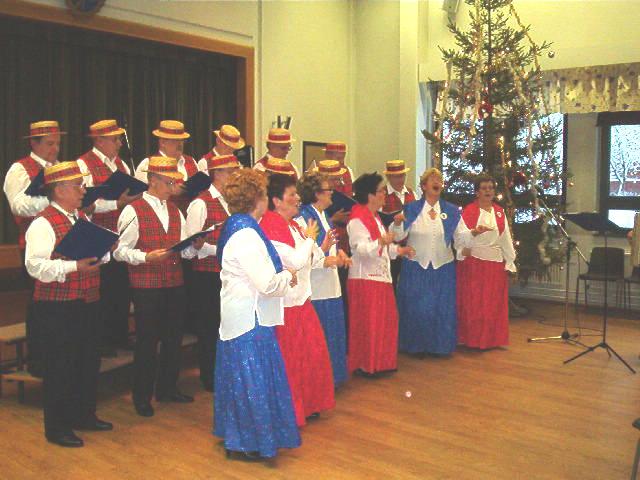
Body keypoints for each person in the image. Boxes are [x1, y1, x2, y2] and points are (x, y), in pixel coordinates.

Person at [214, 168, 300, 460]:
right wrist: (288, 276)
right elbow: (266, 284)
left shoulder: (237, 227)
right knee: (251, 382)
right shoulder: (246, 235)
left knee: (241, 379)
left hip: (242, 314)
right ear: (257, 199)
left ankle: (240, 437)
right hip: (249, 317)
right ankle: (248, 442)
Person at [25, 161, 112, 447]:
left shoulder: (81, 217)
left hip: (87, 301)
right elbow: (35, 267)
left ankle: (83, 415)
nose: (83, 190)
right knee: (60, 366)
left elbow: (92, 256)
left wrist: (104, 251)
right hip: (58, 307)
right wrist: (74, 266)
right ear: (59, 190)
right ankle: (57, 427)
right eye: (78, 186)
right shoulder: (42, 223)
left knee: (87, 361)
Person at [114, 156, 204, 417]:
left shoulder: (175, 210)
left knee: (173, 338)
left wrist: (194, 246)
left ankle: (168, 388)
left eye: (174, 183)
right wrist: (146, 257)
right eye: (168, 182)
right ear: (152, 180)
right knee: (147, 341)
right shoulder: (133, 210)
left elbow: (184, 251)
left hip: (174, 282)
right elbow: (120, 251)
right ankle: (142, 396)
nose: (173, 188)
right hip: (146, 285)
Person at [260, 173, 336, 426]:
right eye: (291, 194)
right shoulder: (271, 225)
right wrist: (311, 239)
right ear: (276, 201)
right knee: (292, 358)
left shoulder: (293, 225)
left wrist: (321, 250)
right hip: (285, 305)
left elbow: (312, 258)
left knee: (309, 355)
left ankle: (308, 404)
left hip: (301, 299)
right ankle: (292, 410)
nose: (297, 198)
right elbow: (294, 260)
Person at [4, 121, 64, 377]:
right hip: (34, 243)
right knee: (40, 304)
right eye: (50, 143)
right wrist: (51, 198)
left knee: (59, 304)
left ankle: (58, 355)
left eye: (57, 143)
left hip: (61, 241)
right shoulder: (20, 169)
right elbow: (18, 206)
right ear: (34, 143)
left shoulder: (59, 168)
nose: (55, 148)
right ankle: (38, 359)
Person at [77, 119, 140, 354]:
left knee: (120, 289)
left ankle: (119, 336)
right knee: (102, 290)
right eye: (115, 139)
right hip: (96, 236)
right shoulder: (83, 164)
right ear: (99, 141)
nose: (120, 144)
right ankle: (102, 341)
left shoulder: (121, 165)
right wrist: (117, 203)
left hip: (118, 235)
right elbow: (85, 204)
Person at [391, 168, 466, 355]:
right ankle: (415, 346)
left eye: (439, 179)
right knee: (418, 307)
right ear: (424, 186)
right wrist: (398, 223)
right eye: (432, 179)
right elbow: (398, 236)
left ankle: (440, 347)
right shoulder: (412, 209)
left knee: (441, 307)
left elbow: (461, 236)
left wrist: (471, 238)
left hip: (443, 268)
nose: (437, 182)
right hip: (416, 266)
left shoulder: (451, 211)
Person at [347, 172, 415, 376]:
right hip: (365, 278)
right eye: (380, 191)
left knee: (384, 321)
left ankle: (381, 362)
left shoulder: (375, 218)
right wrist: (382, 242)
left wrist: (399, 250)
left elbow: (383, 247)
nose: (384, 194)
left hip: (379, 277)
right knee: (370, 324)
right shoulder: (357, 220)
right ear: (370, 195)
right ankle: (368, 365)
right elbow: (360, 249)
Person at [185, 154, 240, 392]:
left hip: (230, 275)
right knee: (209, 327)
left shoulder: (234, 202)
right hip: (207, 275)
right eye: (231, 171)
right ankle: (210, 376)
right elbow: (191, 246)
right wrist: (220, 250)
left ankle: (225, 372)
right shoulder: (201, 203)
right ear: (217, 173)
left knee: (228, 324)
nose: (235, 176)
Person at [298, 169, 350, 387]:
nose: (332, 194)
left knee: (332, 332)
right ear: (317, 193)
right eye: (329, 190)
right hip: (316, 287)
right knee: (320, 336)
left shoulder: (323, 215)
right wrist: (325, 261)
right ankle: (319, 382)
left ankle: (332, 378)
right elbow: (302, 255)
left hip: (330, 284)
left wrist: (340, 253)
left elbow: (329, 246)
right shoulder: (303, 218)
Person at [456, 173, 517, 350]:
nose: (488, 191)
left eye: (490, 188)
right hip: (474, 263)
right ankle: (473, 339)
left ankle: (491, 339)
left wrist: (509, 260)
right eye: (484, 188)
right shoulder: (470, 211)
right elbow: (460, 236)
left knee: (492, 304)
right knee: (475, 304)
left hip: (495, 265)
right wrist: (472, 235)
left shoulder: (499, 212)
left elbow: (505, 238)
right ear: (477, 192)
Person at [134, 120, 199, 213]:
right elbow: (140, 197)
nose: (180, 144)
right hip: (160, 216)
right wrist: (171, 190)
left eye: (182, 140)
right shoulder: (148, 164)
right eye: (175, 140)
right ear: (163, 142)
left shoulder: (191, 161)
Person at [382, 160, 417, 290]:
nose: (400, 179)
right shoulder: (382, 194)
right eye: (396, 176)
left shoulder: (412, 193)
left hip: (409, 244)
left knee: (408, 283)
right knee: (390, 283)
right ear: (389, 177)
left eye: (402, 176)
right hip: (389, 247)